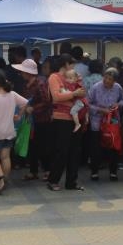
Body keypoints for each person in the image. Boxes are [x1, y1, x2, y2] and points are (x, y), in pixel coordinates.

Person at [47, 53, 86, 192]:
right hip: (61, 119)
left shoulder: (75, 76)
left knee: (75, 151)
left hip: (76, 118)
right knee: (61, 151)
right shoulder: (54, 77)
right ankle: (53, 180)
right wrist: (74, 94)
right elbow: (56, 97)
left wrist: (78, 89)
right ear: (66, 64)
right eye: (72, 64)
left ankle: (71, 182)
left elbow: (83, 92)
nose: (74, 68)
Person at [14, 58, 52, 181]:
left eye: (22, 71)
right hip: (31, 120)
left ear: (28, 73)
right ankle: (33, 171)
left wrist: (33, 109)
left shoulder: (40, 84)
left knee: (43, 146)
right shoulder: (28, 85)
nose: (21, 73)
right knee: (32, 145)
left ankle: (48, 170)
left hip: (42, 120)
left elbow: (47, 102)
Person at [87, 68, 123, 181]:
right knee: (96, 147)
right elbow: (87, 104)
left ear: (115, 81)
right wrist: (100, 110)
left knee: (114, 146)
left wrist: (118, 105)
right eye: (105, 77)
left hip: (112, 122)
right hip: (97, 122)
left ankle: (113, 172)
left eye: (110, 79)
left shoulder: (118, 88)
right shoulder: (96, 87)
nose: (107, 80)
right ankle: (94, 172)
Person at [63, 68, 88, 133]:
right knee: (84, 110)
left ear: (75, 79)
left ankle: (77, 124)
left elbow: (71, 93)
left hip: (79, 102)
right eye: (67, 78)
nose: (68, 80)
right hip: (82, 102)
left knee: (73, 111)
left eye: (70, 78)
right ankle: (86, 118)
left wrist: (64, 91)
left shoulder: (74, 85)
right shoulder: (76, 83)